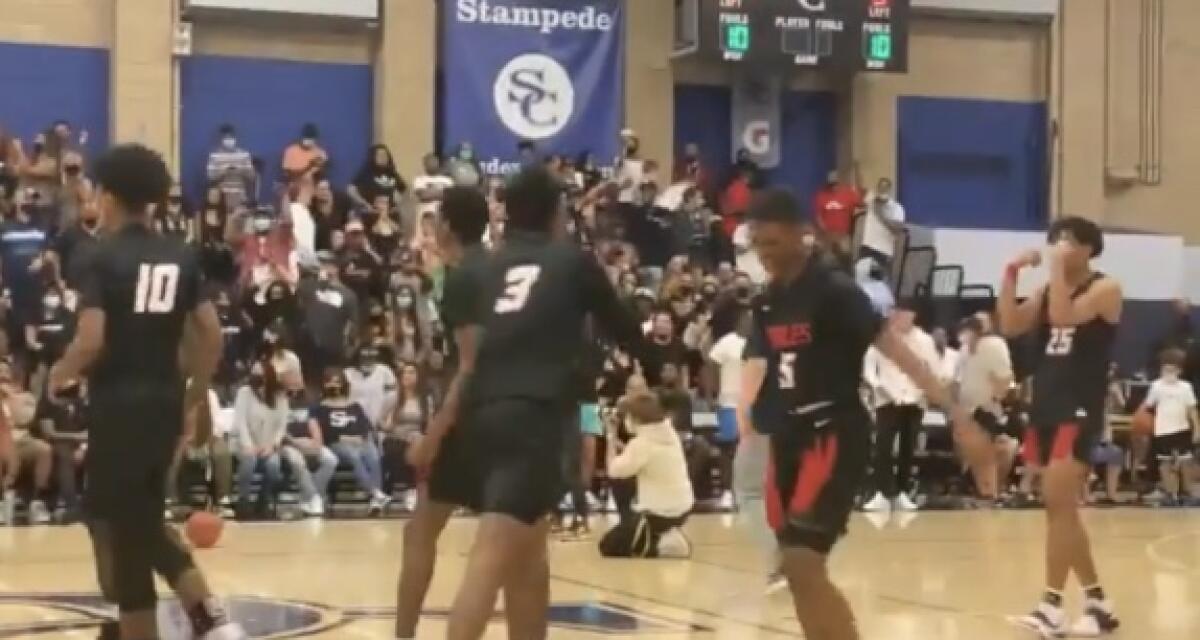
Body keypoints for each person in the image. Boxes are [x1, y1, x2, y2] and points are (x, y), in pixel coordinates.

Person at [737, 189, 981, 640]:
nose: (764, 254)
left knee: (801, 559)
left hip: (832, 432)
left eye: (772, 243)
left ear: (800, 235)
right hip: (787, 435)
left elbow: (896, 350)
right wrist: (748, 411)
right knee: (795, 569)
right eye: (758, 244)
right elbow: (763, 362)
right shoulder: (768, 299)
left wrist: (954, 412)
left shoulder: (834, 291)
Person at [435, 167, 651, 640]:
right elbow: (623, 326)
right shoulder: (571, 261)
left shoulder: (485, 266)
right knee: (491, 555)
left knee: (529, 555)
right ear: (556, 213)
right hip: (532, 415)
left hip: (481, 414)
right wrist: (658, 366)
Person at [46, 144, 245, 639]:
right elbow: (211, 336)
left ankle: (198, 623)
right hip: (164, 404)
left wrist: (58, 375)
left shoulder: (99, 257)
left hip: (118, 409)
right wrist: (194, 396)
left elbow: (92, 338)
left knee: (124, 531)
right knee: (141, 521)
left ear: (109, 197)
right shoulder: (181, 255)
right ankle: (210, 622)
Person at [998, 216, 1122, 636]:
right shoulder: (1049, 289)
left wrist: (1053, 268)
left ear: (1088, 248)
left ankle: (1051, 605)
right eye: (1054, 240)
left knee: (1058, 504)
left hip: (1079, 407)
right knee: (1061, 510)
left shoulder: (1106, 288)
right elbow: (1011, 324)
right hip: (1046, 406)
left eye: (1066, 241)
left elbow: (1065, 317)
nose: (1057, 247)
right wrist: (1011, 273)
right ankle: (1098, 601)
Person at [861, 301, 941, 512]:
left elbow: (932, 368)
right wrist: (879, 387)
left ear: (913, 316)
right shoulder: (884, 338)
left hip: (914, 399)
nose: (899, 318)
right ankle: (881, 492)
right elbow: (869, 367)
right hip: (887, 398)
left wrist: (922, 390)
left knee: (908, 446)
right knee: (883, 446)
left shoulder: (924, 340)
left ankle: (903, 491)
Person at [598, 392, 694, 558]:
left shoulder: (642, 444)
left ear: (636, 419)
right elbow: (635, 457)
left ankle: (660, 544)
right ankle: (660, 533)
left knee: (608, 546)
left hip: (657, 513)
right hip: (683, 508)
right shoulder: (669, 433)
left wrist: (611, 436)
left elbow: (613, 470)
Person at [312, 368, 391, 514]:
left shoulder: (355, 406)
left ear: (343, 384)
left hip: (360, 441)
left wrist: (360, 437)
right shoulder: (319, 408)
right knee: (353, 455)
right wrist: (345, 438)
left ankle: (375, 501)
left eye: (337, 382)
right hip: (337, 443)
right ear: (324, 385)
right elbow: (326, 432)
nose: (334, 386)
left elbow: (365, 426)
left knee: (373, 455)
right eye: (330, 382)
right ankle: (375, 493)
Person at [955, 315, 1017, 503]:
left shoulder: (994, 346)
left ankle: (992, 491)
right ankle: (986, 491)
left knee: (995, 450)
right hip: (967, 408)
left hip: (988, 407)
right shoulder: (964, 350)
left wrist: (998, 397)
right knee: (977, 453)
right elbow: (958, 379)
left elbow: (1005, 378)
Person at [1140, 348, 1199, 506]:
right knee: (1165, 463)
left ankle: (1188, 493)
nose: (1168, 373)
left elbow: (1192, 409)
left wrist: (1197, 429)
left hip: (1182, 429)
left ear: (1179, 371)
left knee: (1185, 462)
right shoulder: (1156, 386)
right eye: (1165, 369)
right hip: (1162, 430)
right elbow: (1148, 406)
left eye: (1172, 370)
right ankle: (1171, 494)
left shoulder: (1186, 387)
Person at [232, 358, 289, 518]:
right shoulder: (244, 393)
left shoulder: (280, 397)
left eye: (260, 374)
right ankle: (243, 501)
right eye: (254, 373)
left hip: (268, 445)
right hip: (244, 443)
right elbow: (240, 422)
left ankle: (264, 500)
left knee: (273, 465)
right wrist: (249, 445)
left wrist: (272, 445)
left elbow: (281, 426)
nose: (256, 377)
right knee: (249, 461)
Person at [205, 124, 256, 211]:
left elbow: (252, 176)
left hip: (240, 197)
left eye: (231, 137)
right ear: (221, 139)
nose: (229, 140)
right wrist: (224, 171)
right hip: (220, 197)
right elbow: (211, 177)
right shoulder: (214, 156)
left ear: (235, 138)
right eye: (226, 138)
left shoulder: (244, 155)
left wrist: (240, 170)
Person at [859, 178, 905, 271]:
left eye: (885, 188)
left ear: (890, 190)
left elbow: (897, 229)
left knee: (879, 282)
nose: (882, 190)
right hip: (867, 247)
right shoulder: (871, 201)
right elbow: (859, 187)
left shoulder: (897, 208)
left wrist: (881, 214)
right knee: (861, 279)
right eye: (880, 187)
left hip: (883, 251)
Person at [348, 144, 406, 210]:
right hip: (371, 212)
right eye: (380, 155)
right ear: (373, 157)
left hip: (389, 213)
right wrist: (363, 203)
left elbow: (402, 190)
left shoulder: (392, 173)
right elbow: (351, 189)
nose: (383, 157)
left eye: (385, 155)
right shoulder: (366, 173)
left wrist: (398, 201)